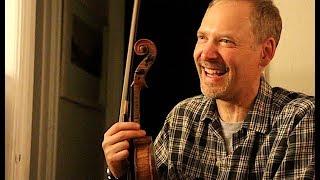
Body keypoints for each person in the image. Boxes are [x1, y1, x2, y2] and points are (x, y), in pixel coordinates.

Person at [102, 0, 315, 179]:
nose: (206, 54)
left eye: (225, 41)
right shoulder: (182, 117)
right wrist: (120, 173)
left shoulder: (301, 118)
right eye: (202, 38)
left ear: (265, 52)